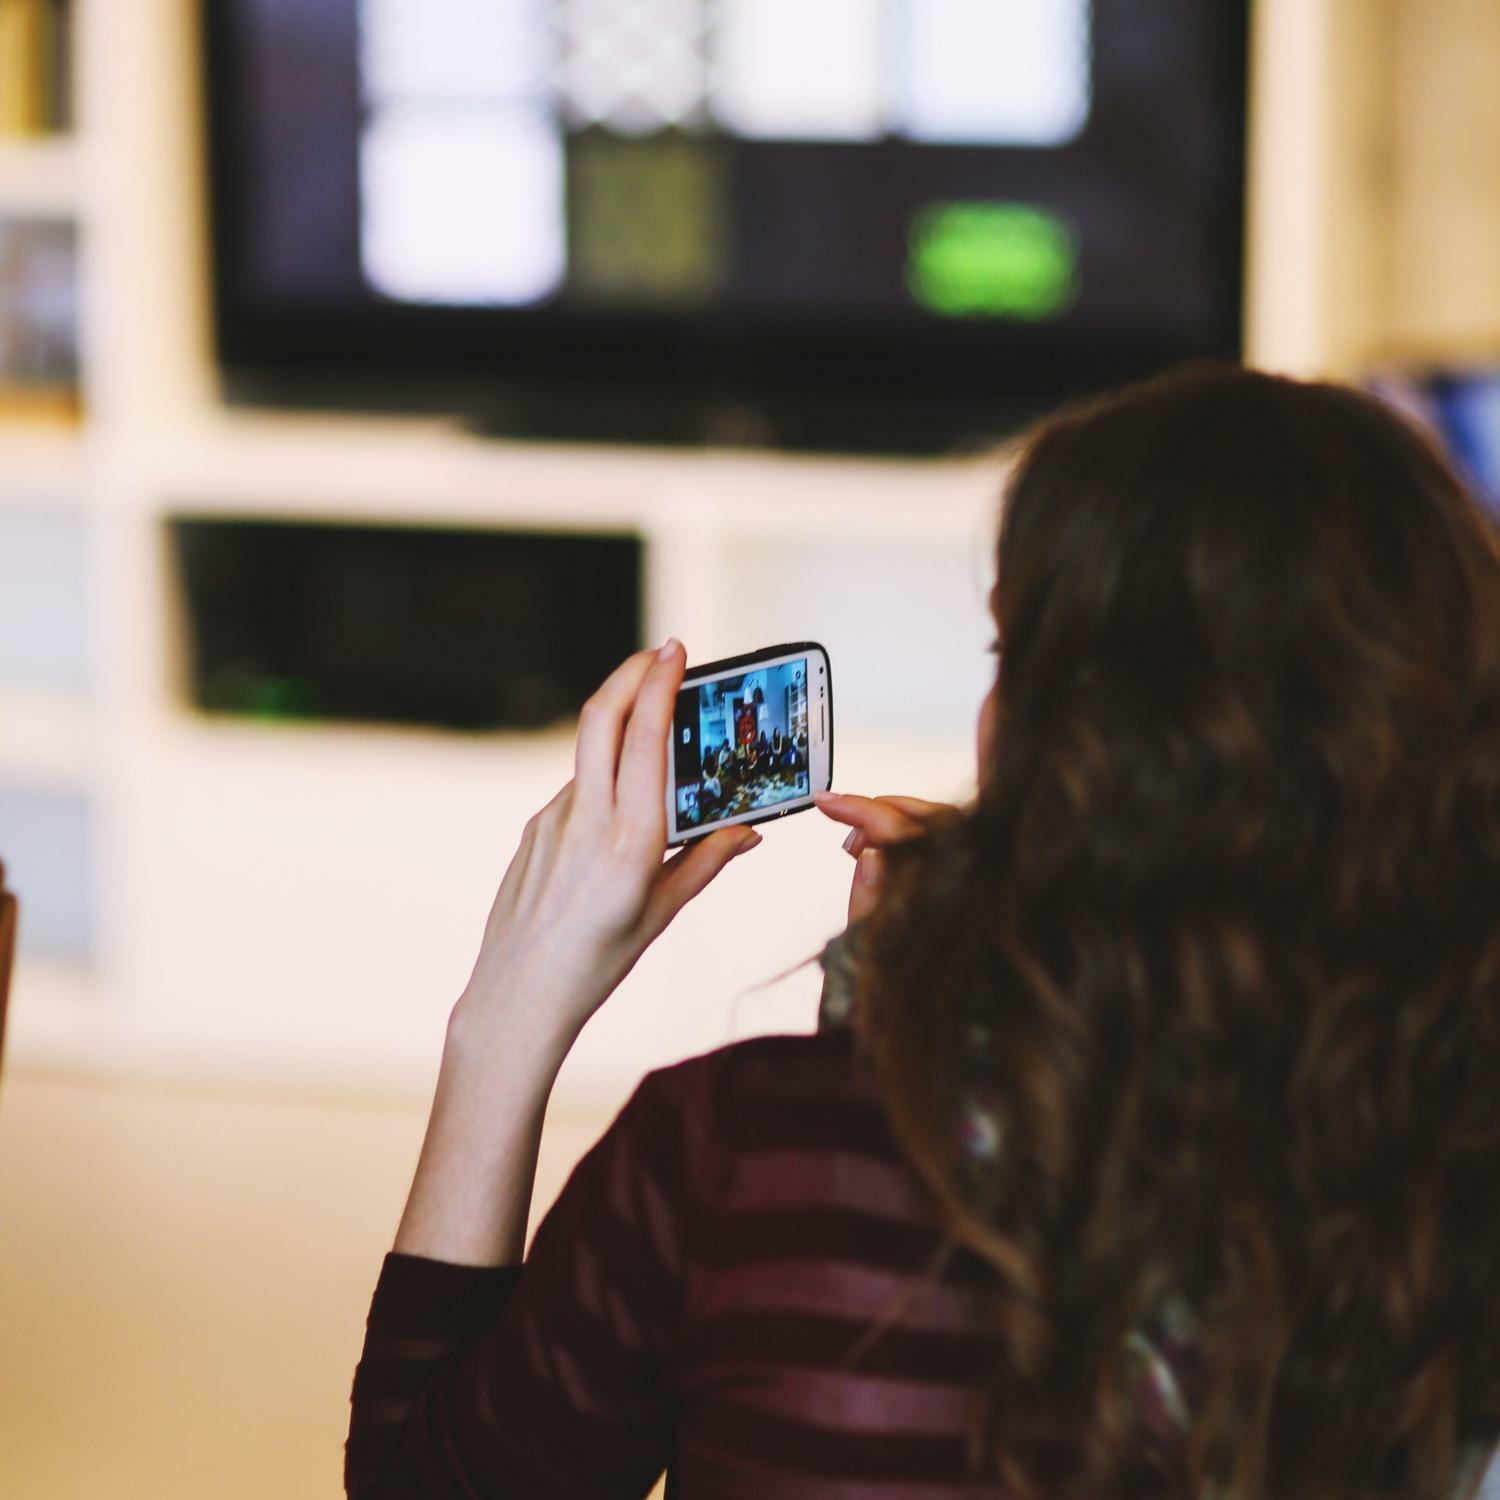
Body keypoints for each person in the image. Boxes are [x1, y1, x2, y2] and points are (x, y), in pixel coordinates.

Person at [345, 365, 1500, 1500]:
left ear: (1070, 737)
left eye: (1011, 657)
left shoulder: (737, 1157)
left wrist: (508, 1012)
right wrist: (921, 1017)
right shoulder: (1445, 1175)